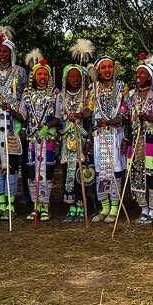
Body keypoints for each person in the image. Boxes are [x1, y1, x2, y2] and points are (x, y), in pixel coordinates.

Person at [0, 26, 27, 221]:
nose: (2, 54)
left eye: (5, 51)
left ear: (11, 53)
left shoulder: (20, 72)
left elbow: (25, 98)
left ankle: (11, 205)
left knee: (12, 164)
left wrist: (21, 120)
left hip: (14, 124)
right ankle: (1, 204)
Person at [85, 51, 129, 223]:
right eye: (103, 67)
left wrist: (110, 122)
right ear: (98, 70)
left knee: (115, 170)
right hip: (99, 136)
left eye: (109, 66)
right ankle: (104, 207)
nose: (107, 69)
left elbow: (125, 113)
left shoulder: (122, 87)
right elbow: (89, 110)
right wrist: (78, 115)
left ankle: (114, 208)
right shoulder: (93, 88)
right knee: (101, 171)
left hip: (116, 135)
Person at [59, 39, 95, 222]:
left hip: (82, 141)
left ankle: (82, 206)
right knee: (68, 173)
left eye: (78, 76)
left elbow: (90, 113)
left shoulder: (88, 95)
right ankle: (71, 207)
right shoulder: (61, 96)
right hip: (67, 143)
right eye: (71, 76)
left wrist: (81, 115)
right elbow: (57, 117)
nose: (75, 79)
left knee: (83, 174)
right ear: (66, 79)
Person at [21, 51, 60, 222]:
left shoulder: (55, 93)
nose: (42, 76)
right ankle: (35, 206)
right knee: (32, 172)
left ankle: (45, 207)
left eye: (45, 73)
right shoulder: (27, 93)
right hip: (32, 140)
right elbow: (22, 116)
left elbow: (59, 118)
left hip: (48, 139)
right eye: (39, 73)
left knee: (47, 171)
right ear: (34, 76)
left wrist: (48, 125)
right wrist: (10, 110)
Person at [128, 53, 153, 225]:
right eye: (138, 73)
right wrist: (126, 140)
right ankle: (143, 208)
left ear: (151, 77)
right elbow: (128, 118)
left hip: (152, 139)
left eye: (143, 74)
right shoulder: (131, 95)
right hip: (136, 140)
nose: (139, 77)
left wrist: (149, 118)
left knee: (151, 175)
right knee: (137, 174)